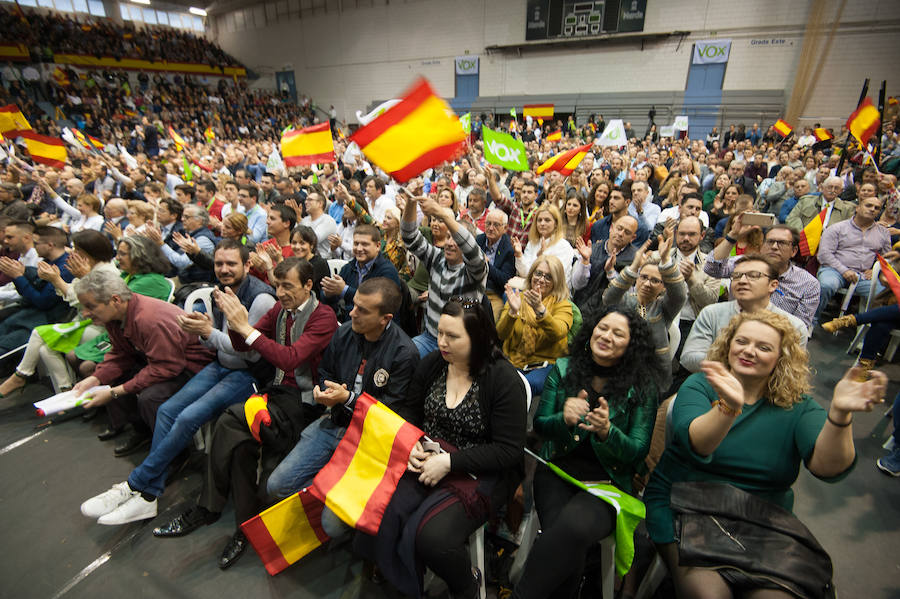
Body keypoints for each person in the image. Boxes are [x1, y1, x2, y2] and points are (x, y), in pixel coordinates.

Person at [644, 311, 886, 599]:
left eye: (764, 347)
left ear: (781, 358)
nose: (749, 350)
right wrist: (729, 407)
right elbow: (698, 445)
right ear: (728, 345)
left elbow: (827, 468)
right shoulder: (700, 386)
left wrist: (840, 414)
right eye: (742, 341)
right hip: (685, 504)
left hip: (760, 517)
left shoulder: (798, 406)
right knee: (707, 593)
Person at [152, 257, 338, 569]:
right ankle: (243, 529)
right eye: (277, 285)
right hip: (277, 395)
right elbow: (243, 345)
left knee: (229, 419)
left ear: (308, 285)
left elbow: (291, 359)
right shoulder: (281, 310)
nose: (279, 293)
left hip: (305, 404)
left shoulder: (324, 316)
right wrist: (230, 322)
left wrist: (243, 328)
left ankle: (208, 508)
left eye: (287, 286)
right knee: (240, 449)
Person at [78, 241, 277, 525]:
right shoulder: (220, 290)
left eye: (231, 264)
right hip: (220, 364)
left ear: (247, 266)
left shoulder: (261, 299)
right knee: (167, 410)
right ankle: (149, 495)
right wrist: (205, 328)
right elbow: (220, 339)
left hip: (248, 374)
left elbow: (253, 351)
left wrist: (208, 332)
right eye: (219, 264)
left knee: (186, 417)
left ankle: (137, 486)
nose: (223, 269)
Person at [356, 298, 525, 599]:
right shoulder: (435, 363)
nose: (442, 343)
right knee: (380, 503)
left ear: (479, 337)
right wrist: (411, 445)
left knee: (432, 537)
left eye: (453, 336)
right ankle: (395, 571)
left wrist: (450, 462)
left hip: (482, 471)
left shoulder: (502, 379)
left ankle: (466, 586)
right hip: (430, 455)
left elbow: (507, 451)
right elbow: (410, 411)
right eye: (440, 333)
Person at [512, 305, 665, 599]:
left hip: (608, 486)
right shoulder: (565, 367)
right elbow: (541, 426)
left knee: (572, 530)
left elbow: (637, 452)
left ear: (631, 346)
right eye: (603, 328)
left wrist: (609, 433)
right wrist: (564, 419)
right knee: (566, 538)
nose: (606, 336)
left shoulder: (642, 387)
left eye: (618, 334)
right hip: (557, 472)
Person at [265, 277, 419, 512]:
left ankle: (332, 502)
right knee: (276, 486)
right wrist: (325, 392)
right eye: (354, 305)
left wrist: (347, 399)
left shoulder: (404, 353)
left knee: (332, 522)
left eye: (362, 310)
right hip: (334, 420)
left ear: (385, 319)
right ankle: (331, 492)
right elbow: (327, 370)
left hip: (369, 438)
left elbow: (391, 411)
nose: (352, 313)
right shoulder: (345, 332)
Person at [70, 269, 216, 457]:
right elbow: (120, 353)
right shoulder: (114, 317)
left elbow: (167, 367)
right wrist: (96, 379)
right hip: (161, 361)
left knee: (150, 397)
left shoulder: (149, 319)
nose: (85, 313)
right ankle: (145, 432)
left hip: (191, 368)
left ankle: (176, 455)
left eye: (90, 306)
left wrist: (115, 392)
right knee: (114, 376)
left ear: (115, 300)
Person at [0, 230, 115, 396]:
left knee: (39, 333)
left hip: (102, 327)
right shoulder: (87, 268)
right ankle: (66, 392)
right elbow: (71, 293)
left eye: (77, 250)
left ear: (89, 252)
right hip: (84, 321)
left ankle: (20, 376)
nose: (72, 253)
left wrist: (57, 280)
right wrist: (56, 280)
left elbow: (85, 302)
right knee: (45, 350)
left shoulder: (106, 272)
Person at [681, 254, 808, 373]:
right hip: (713, 385)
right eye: (736, 275)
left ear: (773, 285)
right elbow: (689, 358)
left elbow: (791, 372)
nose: (742, 281)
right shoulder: (712, 313)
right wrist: (738, 363)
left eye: (753, 275)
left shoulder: (794, 326)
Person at [402, 192, 487, 357]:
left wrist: (441, 213)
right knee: (403, 356)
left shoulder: (475, 271)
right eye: (448, 237)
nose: (449, 243)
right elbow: (409, 237)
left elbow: (470, 248)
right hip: (430, 337)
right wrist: (412, 201)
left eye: (455, 239)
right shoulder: (436, 258)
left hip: (459, 343)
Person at [602, 226, 687, 390]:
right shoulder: (625, 300)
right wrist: (633, 267)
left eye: (655, 280)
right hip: (615, 368)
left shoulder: (663, 307)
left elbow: (680, 295)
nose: (648, 283)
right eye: (644, 277)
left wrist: (666, 260)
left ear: (663, 287)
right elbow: (608, 298)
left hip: (650, 376)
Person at [705, 218, 821, 331]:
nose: (774, 247)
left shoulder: (808, 284)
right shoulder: (744, 264)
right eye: (770, 241)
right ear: (762, 245)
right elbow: (711, 268)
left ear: (794, 251)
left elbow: (798, 329)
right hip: (734, 331)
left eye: (782, 243)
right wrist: (733, 236)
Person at [497, 255, 573, 395]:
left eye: (548, 277)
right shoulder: (517, 298)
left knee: (523, 387)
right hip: (515, 360)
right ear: (531, 275)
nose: (541, 280)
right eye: (538, 273)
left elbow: (558, 332)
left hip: (545, 364)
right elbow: (501, 334)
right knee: (495, 381)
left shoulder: (563, 305)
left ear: (556, 281)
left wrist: (540, 310)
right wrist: (512, 313)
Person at [814, 195, 892, 325]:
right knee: (826, 285)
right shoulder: (837, 228)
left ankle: (865, 331)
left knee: (883, 294)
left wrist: (875, 270)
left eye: (877, 208)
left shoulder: (883, 232)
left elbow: (888, 257)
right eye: (868, 205)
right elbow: (824, 255)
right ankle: (810, 322)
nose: (872, 209)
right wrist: (844, 270)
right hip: (834, 270)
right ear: (858, 208)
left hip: (864, 276)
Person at [0, 225, 73, 355]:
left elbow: (43, 302)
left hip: (44, 319)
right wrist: (23, 273)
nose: (34, 246)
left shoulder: (64, 268)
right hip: (29, 314)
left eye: (36, 243)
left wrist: (18, 276)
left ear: (50, 245)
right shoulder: (48, 262)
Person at [321, 223, 401, 320]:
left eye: (364, 244)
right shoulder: (348, 268)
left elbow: (379, 303)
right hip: (350, 323)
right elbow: (332, 302)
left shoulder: (387, 271)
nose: (359, 249)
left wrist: (345, 290)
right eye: (356, 244)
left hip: (378, 328)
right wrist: (328, 294)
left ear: (378, 246)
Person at [513, 203, 576, 282]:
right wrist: (519, 256)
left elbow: (554, 277)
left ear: (556, 224)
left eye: (547, 220)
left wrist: (543, 255)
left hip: (555, 292)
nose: (542, 223)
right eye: (539, 220)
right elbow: (525, 273)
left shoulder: (564, 246)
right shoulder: (532, 243)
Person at [476, 209, 516, 320]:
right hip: (474, 289)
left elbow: (505, 279)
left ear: (505, 228)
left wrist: (487, 264)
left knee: (491, 322)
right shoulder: (479, 240)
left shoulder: (509, 249)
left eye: (496, 225)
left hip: (493, 293)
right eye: (488, 223)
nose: (491, 228)